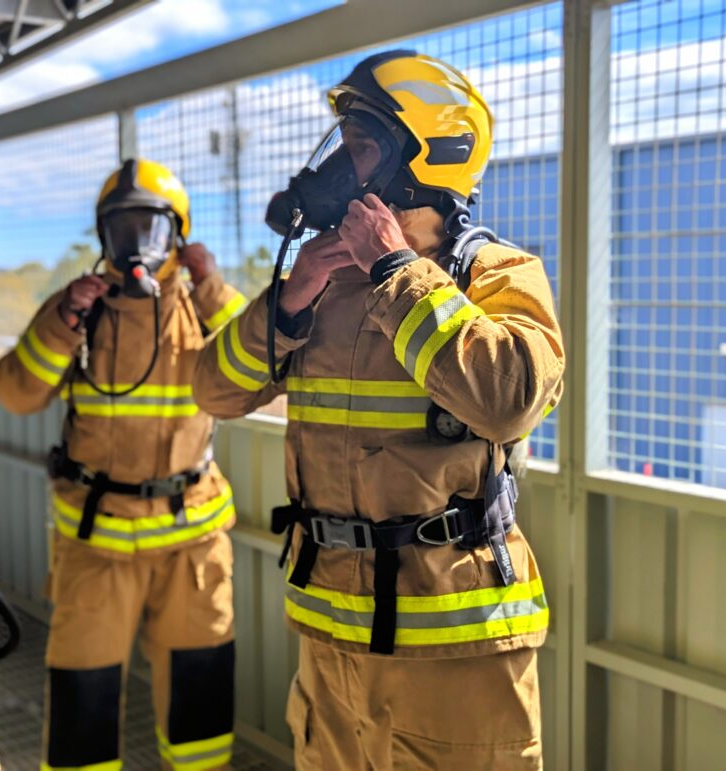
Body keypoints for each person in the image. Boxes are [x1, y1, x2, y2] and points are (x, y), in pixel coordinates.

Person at [194, 50, 565, 769]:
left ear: (423, 157)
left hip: (457, 651)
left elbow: (511, 398)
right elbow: (215, 390)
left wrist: (397, 271)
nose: (339, 165)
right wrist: (292, 298)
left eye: (362, 146)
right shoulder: (322, 282)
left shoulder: (497, 274)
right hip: (330, 639)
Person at [0, 158, 247, 771]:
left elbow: (262, 372)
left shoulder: (203, 307)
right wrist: (63, 319)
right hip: (95, 544)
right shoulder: (80, 307)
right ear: (104, 235)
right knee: (84, 704)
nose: (138, 242)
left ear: (177, 234)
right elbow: (17, 393)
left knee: (200, 711)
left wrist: (210, 283)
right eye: (123, 226)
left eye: (152, 225)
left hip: (193, 546)